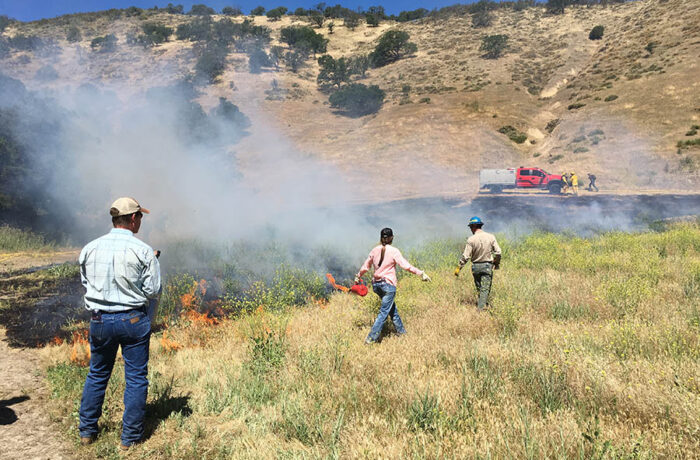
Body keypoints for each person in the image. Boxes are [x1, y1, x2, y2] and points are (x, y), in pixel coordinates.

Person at [78, 197, 161, 450]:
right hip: (133, 319)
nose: (141, 222)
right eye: (141, 217)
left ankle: (87, 432)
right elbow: (152, 290)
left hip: (100, 319)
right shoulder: (144, 251)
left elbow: (86, 284)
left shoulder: (89, 248)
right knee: (135, 377)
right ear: (133, 218)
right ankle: (130, 438)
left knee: (97, 374)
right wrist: (153, 262)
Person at [355, 228, 431, 344]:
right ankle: (370, 339)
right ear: (391, 238)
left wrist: (358, 275)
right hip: (388, 286)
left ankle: (402, 334)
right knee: (383, 313)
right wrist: (421, 273)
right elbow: (406, 266)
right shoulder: (394, 251)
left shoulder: (374, 250)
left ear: (381, 238)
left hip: (376, 285)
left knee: (392, 310)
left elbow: (366, 266)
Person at [454, 216, 501, 310]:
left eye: (471, 227)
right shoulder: (491, 237)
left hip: (475, 267)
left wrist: (458, 268)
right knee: (485, 289)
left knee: (480, 288)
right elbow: (498, 252)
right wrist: (496, 263)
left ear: (474, 226)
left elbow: (465, 256)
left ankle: (482, 305)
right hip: (487, 266)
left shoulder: (471, 239)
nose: (471, 229)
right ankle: (480, 310)